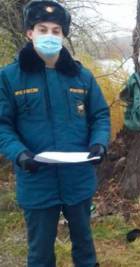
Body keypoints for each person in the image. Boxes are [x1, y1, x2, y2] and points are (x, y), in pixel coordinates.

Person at [0, 1, 110, 266]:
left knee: (85, 248)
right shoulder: (9, 77)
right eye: (43, 29)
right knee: (39, 254)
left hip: (78, 181)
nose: (49, 35)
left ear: (63, 35)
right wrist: (20, 154)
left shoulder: (82, 76)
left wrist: (99, 144)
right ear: (30, 32)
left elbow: (100, 117)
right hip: (36, 181)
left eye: (56, 31)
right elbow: (2, 125)